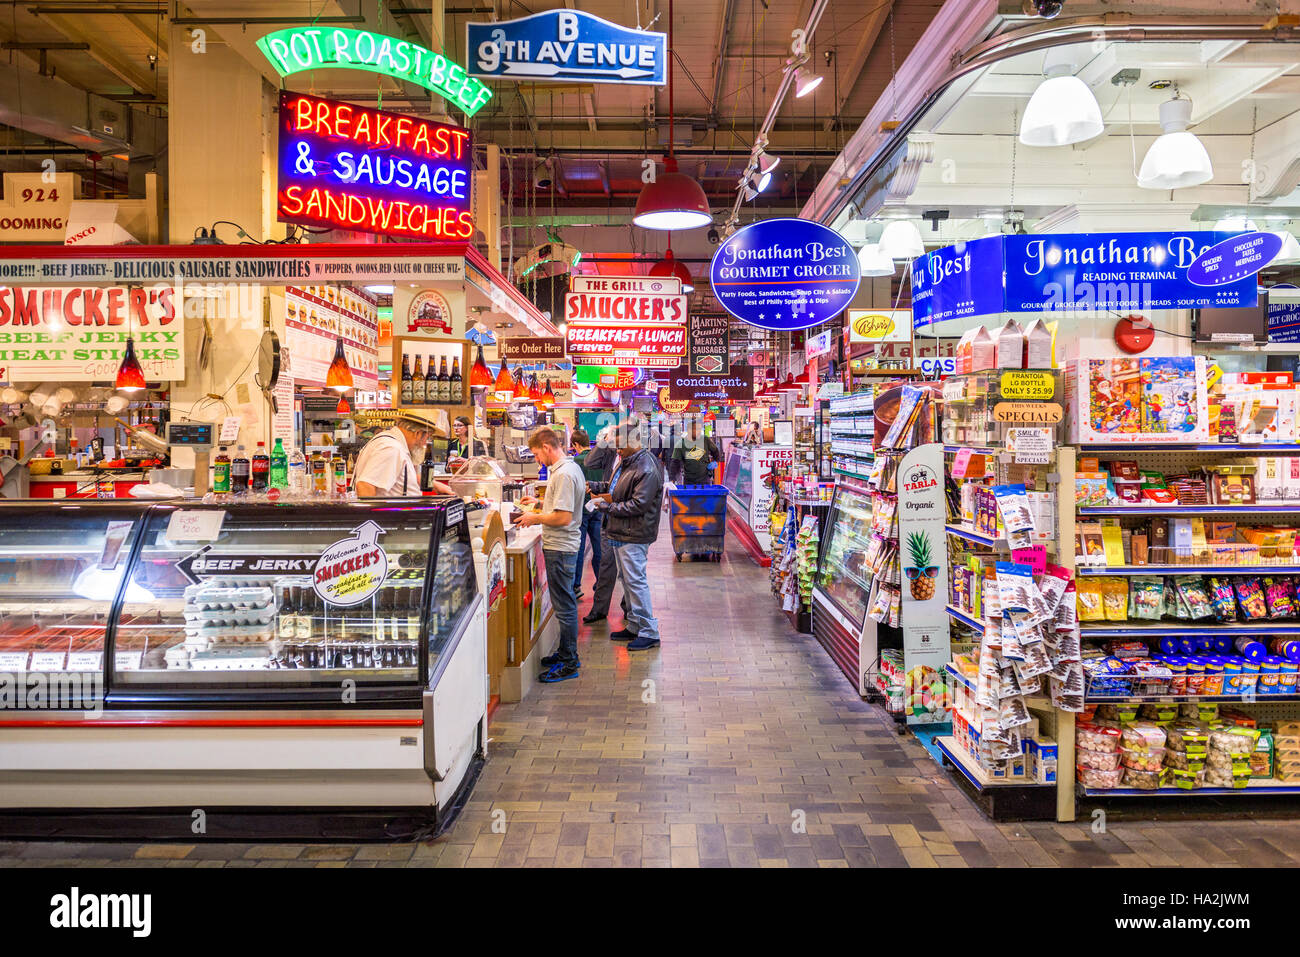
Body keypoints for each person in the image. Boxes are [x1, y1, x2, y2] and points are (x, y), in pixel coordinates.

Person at [515, 427, 587, 683]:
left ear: (546, 447)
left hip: (561, 547)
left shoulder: (564, 474)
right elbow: (558, 507)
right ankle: (565, 653)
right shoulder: (567, 469)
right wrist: (537, 505)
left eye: (536, 453)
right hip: (561, 546)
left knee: (566, 607)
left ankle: (569, 662)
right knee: (564, 604)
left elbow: (563, 517)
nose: (536, 459)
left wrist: (535, 517)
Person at [588, 417, 665, 651]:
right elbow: (617, 488)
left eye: (620, 446)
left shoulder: (647, 467)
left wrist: (606, 507)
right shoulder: (628, 462)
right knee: (627, 581)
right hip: (621, 531)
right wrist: (598, 487)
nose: (617, 450)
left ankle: (649, 632)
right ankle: (634, 625)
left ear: (636, 441)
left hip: (634, 533)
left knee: (635, 581)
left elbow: (638, 504)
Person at [583, 425, 626, 626]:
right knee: (607, 565)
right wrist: (603, 440)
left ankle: (629, 609)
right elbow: (589, 462)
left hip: (626, 521)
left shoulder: (637, 460)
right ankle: (599, 610)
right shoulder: (610, 453)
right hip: (608, 517)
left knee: (629, 570)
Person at [354, 410, 453, 497]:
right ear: (417, 433)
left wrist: (436, 486)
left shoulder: (395, 444)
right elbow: (365, 485)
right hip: (391, 517)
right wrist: (373, 518)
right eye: (428, 437)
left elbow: (406, 475)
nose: (425, 443)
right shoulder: (391, 448)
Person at [570, 429, 608, 600]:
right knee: (598, 547)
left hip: (581, 509)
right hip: (599, 506)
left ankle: (576, 585)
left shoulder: (575, 461)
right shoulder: (599, 459)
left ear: (576, 445)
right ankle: (602, 582)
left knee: (579, 548)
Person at [671, 417, 723, 486]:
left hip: (705, 479)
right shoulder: (681, 444)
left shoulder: (705, 439)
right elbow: (675, 463)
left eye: (699, 429)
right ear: (689, 430)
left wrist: (716, 461)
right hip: (689, 480)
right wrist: (671, 480)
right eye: (695, 429)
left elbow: (715, 451)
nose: (698, 431)